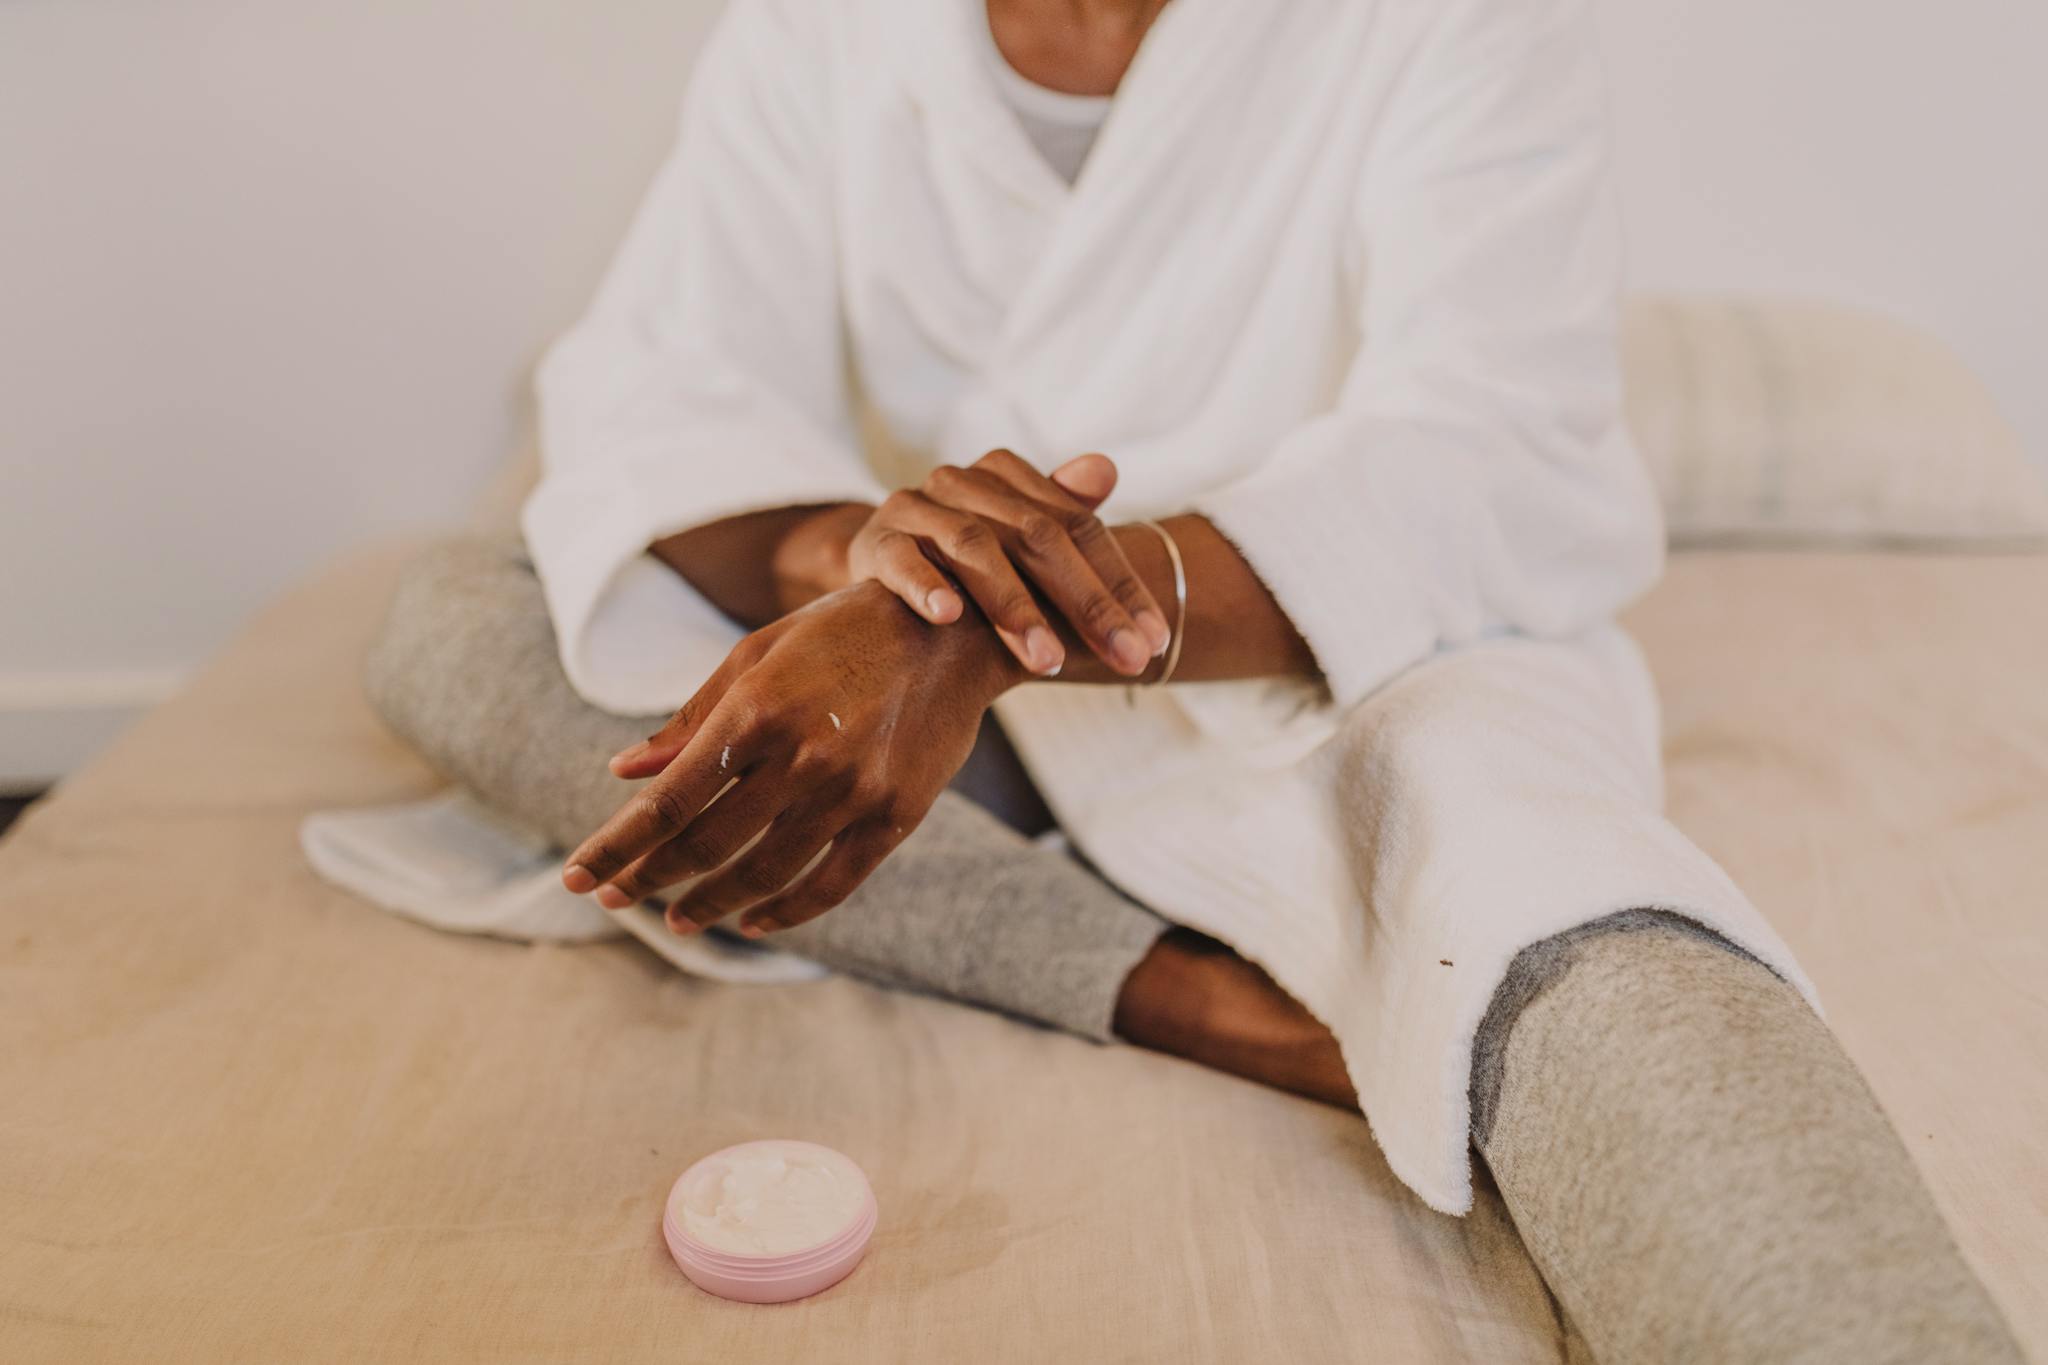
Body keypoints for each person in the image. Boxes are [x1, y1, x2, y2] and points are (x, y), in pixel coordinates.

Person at [365, 0, 2024, 1358]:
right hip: (946, 712)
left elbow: (1489, 453)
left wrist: (971, 622)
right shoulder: (826, 29)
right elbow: (667, 386)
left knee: (1574, 916)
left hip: (1343, 665)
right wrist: (875, 570)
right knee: (460, 617)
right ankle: (1183, 990)